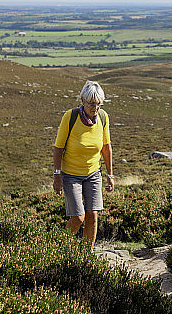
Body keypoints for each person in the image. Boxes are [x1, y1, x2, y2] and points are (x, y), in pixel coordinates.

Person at [52, 80, 115, 250]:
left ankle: (87, 254)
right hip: (71, 174)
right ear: (82, 101)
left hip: (94, 173)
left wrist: (110, 175)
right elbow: (58, 148)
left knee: (92, 216)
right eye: (91, 104)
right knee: (78, 218)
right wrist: (57, 176)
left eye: (98, 104)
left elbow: (106, 148)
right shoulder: (70, 117)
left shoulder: (103, 117)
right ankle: (57, 248)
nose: (95, 108)